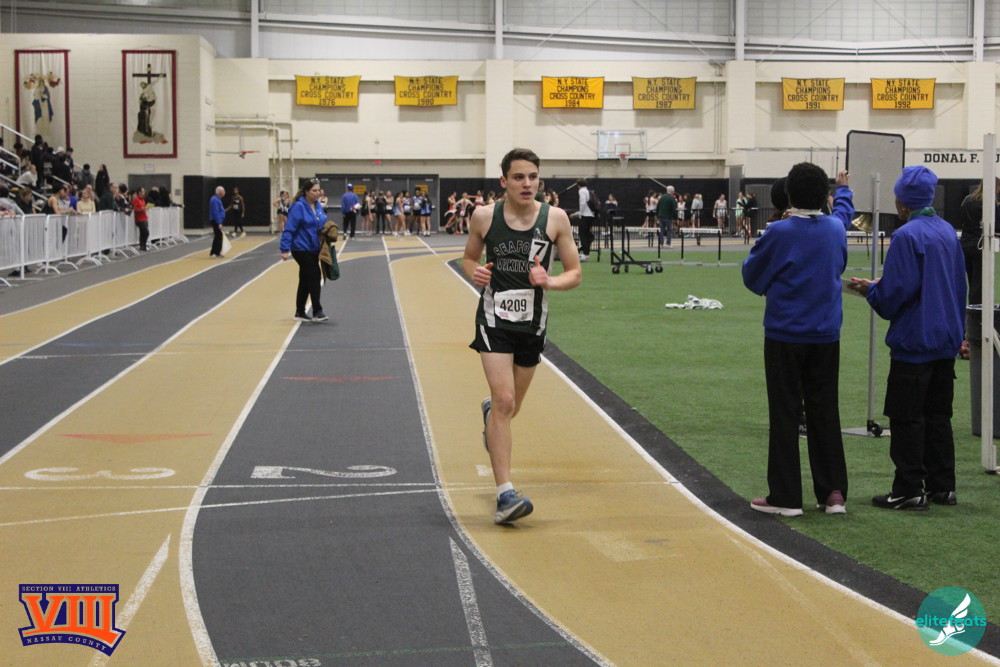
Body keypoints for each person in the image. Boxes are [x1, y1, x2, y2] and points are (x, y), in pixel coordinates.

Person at [462, 147, 582, 524]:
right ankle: (505, 495)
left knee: (511, 408)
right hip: (493, 319)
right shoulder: (484, 216)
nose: (527, 184)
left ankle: (492, 415)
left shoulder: (555, 218)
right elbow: (469, 258)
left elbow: (575, 273)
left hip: (532, 324)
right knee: (504, 400)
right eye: (518, 177)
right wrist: (475, 273)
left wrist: (550, 281)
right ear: (504, 181)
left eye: (532, 177)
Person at [848, 166, 965, 511]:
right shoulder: (947, 231)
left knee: (906, 417)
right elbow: (951, 283)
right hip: (945, 338)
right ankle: (943, 486)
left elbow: (897, 294)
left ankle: (909, 487)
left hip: (915, 340)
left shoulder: (906, 236)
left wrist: (872, 292)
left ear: (901, 201)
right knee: (938, 417)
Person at [742, 163, 854, 517]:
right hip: (825, 333)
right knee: (825, 410)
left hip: (785, 333)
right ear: (824, 195)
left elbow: (752, 276)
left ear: (789, 195)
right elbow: (838, 264)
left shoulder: (779, 232)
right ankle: (833, 492)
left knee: (785, 412)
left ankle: (786, 496)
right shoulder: (835, 229)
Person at [279, 179, 328, 322]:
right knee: (315, 275)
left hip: (314, 247)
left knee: (305, 279)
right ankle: (317, 311)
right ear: (306, 192)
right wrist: (284, 248)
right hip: (300, 248)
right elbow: (289, 228)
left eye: (318, 190)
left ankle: (300, 311)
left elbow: (321, 222)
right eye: (314, 190)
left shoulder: (317, 205)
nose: (317, 193)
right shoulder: (298, 207)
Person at [576, 178, 596, 261]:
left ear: (578, 185)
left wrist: (580, 213)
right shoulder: (588, 191)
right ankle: (586, 252)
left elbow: (583, 203)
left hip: (585, 215)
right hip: (591, 215)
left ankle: (585, 253)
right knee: (586, 233)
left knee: (582, 234)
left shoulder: (581, 191)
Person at [209, 186, 226, 258]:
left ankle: (214, 252)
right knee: (218, 236)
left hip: (218, 220)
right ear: (219, 192)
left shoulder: (218, 199)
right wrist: (219, 223)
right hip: (216, 220)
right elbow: (215, 212)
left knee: (218, 236)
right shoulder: (215, 200)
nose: (224, 192)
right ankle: (216, 252)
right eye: (223, 191)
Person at [132, 186, 149, 251]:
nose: (144, 192)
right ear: (139, 192)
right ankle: (142, 245)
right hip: (140, 219)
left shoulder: (143, 200)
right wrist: (141, 209)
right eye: (143, 191)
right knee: (146, 232)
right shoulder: (136, 199)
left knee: (142, 233)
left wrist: (145, 208)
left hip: (144, 217)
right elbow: (135, 209)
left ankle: (143, 246)